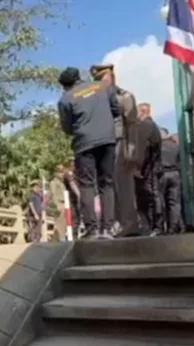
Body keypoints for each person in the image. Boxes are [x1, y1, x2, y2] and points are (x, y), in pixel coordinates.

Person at [57, 66, 120, 240]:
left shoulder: (65, 99)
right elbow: (116, 110)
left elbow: (67, 128)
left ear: (65, 85)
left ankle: (92, 229)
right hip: (107, 140)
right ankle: (108, 228)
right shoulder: (103, 87)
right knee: (107, 183)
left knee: (87, 185)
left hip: (84, 144)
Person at [90, 64, 140, 237]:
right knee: (108, 187)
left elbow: (132, 125)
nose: (99, 83)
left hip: (120, 143)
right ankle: (115, 224)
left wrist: (132, 150)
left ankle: (130, 224)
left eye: (101, 79)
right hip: (103, 146)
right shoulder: (95, 98)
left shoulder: (124, 96)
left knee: (123, 185)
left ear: (111, 78)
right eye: (96, 80)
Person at [134, 103, 163, 236]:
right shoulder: (153, 126)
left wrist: (137, 168)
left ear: (142, 112)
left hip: (147, 169)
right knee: (153, 195)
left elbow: (143, 149)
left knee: (149, 196)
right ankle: (156, 225)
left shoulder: (145, 126)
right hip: (152, 167)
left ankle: (153, 226)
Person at [160, 128, 183, 234]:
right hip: (175, 173)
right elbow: (180, 161)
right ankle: (173, 227)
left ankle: (161, 227)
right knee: (174, 202)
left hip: (162, 174)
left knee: (161, 201)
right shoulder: (175, 146)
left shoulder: (157, 146)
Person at [50, 165, 68, 241]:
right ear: (56, 173)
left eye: (62, 172)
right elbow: (53, 194)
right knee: (59, 224)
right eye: (60, 172)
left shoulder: (62, 183)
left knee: (64, 224)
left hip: (64, 204)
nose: (62, 174)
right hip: (59, 204)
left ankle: (60, 239)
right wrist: (57, 204)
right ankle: (60, 240)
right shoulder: (53, 182)